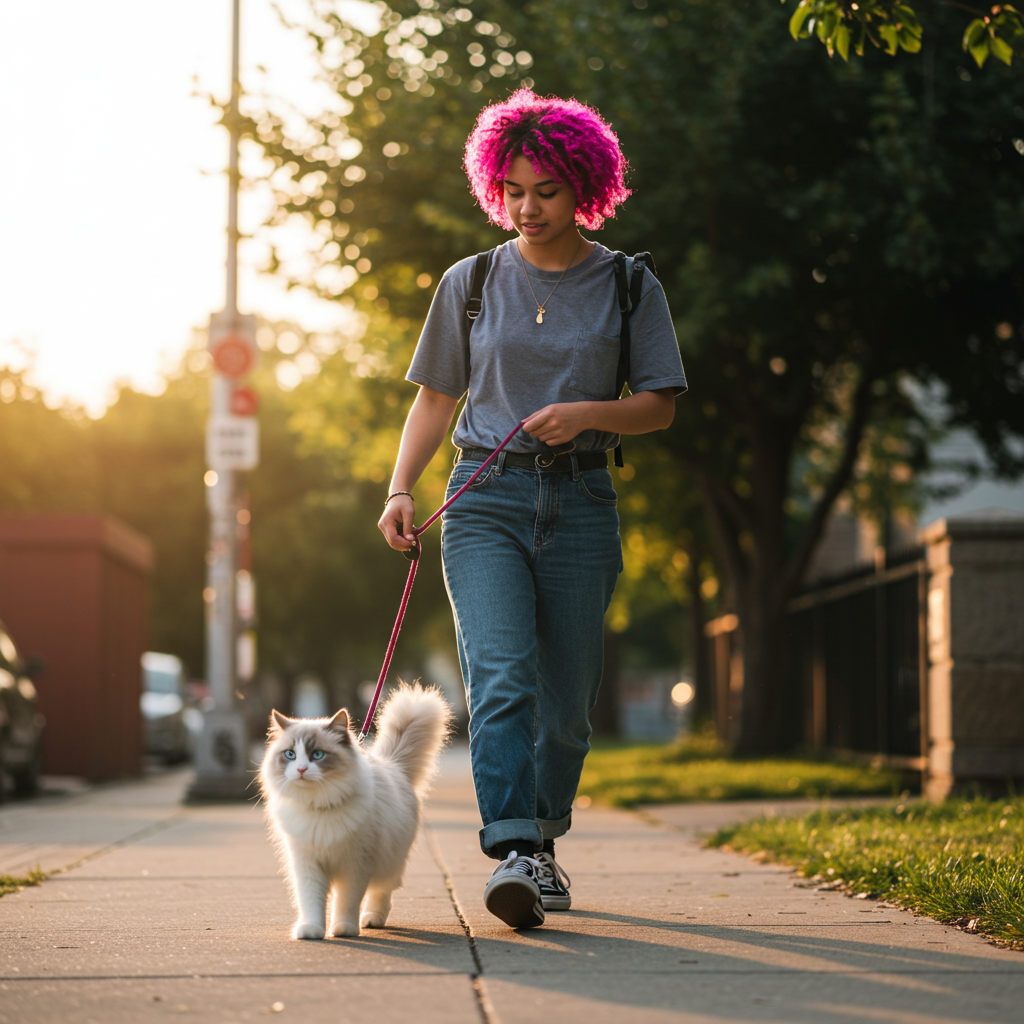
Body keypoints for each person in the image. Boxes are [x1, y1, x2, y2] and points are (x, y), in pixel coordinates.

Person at [377, 89, 687, 929]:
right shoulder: (470, 282)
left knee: (568, 703)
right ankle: (514, 847)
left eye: (546, 189)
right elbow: (435, 400)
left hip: (583, 498)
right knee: (502, 676)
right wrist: (401, 488)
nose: (528, 206)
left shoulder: (627, 284)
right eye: (513, 189)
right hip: (485, 496)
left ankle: (542, 844)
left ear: (584, 185)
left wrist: (587, 413)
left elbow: (659, 404)